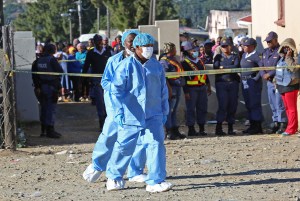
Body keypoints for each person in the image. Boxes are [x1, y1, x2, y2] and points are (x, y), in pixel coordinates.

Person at [105, 33, 172, 192]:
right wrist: (119, 111)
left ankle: (155, 181)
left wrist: (164, 111)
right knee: (124, 147)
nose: (149, 49)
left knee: (156, 144)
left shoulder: (156, 66)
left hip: (153, 114)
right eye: (145, 46)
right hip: (130, 114)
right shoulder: (126, 66)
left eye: (151, 46)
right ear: (136, 48)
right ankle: (114, 177)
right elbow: (116, 91)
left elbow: (163, 90)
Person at [82, 30, 147, 184]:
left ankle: (135, 171)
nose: (133, 44)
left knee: (139, 138)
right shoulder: (114, 60)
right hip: (116, 105)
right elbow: (105, 81)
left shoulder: (145, 61)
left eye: (136, 41)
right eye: (130, 41)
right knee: (109, 135)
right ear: (123, 43)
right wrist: (117, 89)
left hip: (137, 107)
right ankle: (97, 165)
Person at [31, 44, 63, 138]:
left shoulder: (37, 61)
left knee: (43, 108)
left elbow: (34, 75)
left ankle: (43, 131)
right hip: (51, 87)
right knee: (51, 109)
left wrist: (37, 87)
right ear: (52, 50)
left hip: (41, 88)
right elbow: (60, 71)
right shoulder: (51, 59)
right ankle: (50, 130)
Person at [181, 41, 211, 136]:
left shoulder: (200, 61)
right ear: (187, 52)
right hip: (191, 89)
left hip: (202, 88)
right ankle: (191, 129)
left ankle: (202, 129)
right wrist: (186, 92)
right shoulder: (184, 63)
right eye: (192, 50)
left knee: (202, 108)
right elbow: (183, 79)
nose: (195, 52)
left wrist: (208, 85)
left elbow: (205, 74)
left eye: (196, 50)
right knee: (191, 109)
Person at [82, 34, 112, 131]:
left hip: (108, 80)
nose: (98, 43)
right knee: (100, 102)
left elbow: (112, 65)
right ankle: (102, 124)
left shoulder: (108, 51)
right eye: (96, 41)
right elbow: (86, 66)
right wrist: (84, 78)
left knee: (109, 101)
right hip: (96, 80)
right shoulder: (91, 53)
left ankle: (109, 123)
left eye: (100, 41)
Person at [259, 31, 287, 134]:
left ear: (276, 40)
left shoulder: (281, 51)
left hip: (278, 81)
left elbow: (281, 66)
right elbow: (261, 65)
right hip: (269, 82)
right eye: (267, 41)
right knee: (272, 103)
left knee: (279, 103)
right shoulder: (265, 52)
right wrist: (263, 74)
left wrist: (269, 74)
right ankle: (276, 122)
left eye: (270, 41)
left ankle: (282, 123)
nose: (268, 43)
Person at [213, 38, 240, 136]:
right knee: (223, 105)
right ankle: (218, 127)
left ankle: (230, 128)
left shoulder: (235, 56)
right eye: (222, 46)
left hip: (233, 83)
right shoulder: (218, 57)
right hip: (221, 83)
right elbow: (216, 67)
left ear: (230, 46)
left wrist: (223, 68)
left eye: (226, 46)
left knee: (232, 105)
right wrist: (227, 68)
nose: (224, 48)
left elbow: (236, 66)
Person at [160, 42, 186, 140]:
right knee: (169, 111)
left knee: (174, 111)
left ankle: (175, 130)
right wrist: (169, 90)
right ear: (171, 50)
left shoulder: (173, 60)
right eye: (175, 48)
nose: (176, 50)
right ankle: (169, 131)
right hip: (171, 88)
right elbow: (164, 78)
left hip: (177, 87)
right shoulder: (164, 62)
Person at [274, 38, 300, 136]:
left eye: (288, 47)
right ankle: (292, 127)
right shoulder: (280, 58)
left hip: (291, 85)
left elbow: (293, 69)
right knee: (287, 108)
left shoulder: (296, 57)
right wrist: (275, 81)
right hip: (281, 85)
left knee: (292, 108)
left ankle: (291, 129)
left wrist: (289, 57)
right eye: (284, 47)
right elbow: (278, 71)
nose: (286, 49)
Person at [240, 38, 264, 134]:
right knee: (248, 104)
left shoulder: (256, 55)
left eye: (246, 46)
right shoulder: (244, 55)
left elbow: (262, 68)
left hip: (252, 82)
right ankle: (252, 124)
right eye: (244, 46)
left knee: (254, 104)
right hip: (244, 81)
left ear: (252, 46)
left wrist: (256, 78)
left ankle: (257, 126)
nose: (244, 47)